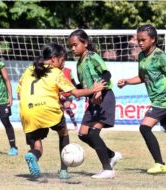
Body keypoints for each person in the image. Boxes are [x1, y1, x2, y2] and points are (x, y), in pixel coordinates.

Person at [17, 43, 107, 179]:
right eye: (62, 60)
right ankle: (64, 170)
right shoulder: (56, 72)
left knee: (37, 146)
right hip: (48, 109)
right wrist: (95, 89)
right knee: (63, 133)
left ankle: (33, 155)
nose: (63, 64)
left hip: (27, 111)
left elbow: (20, 93)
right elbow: (75, 93)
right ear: (54, 59)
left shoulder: (29, 69)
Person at [118, 24, 166, 175]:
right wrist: (127, 81)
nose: (140, 43)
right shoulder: (142, 56)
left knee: (144, 127)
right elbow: (143, 77)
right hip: (158, 100)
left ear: (153, 40)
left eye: (143, 40)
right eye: (138, 40)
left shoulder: (159, 55)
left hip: (164, 99)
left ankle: (160, 164)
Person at [68, 29, 122, 179]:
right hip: (92, 101)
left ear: (85, 43)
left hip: (104, 97)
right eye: (70, 46)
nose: (72, 48)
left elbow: (106, 74)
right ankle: (111, 155)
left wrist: (99, 89)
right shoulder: (79, 63)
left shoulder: (92, 56)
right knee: (83, 134)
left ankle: (107, 169)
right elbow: (84, 85)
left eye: (75, 45)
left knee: (93, 132)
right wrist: (69, 90)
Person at [59, 66, 78, 130]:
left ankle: (75, 125)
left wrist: (76, 93)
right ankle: (63, 127)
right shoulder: (55, 71)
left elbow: (73, 81)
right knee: (61, 110)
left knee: (67, 108)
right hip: (59, 94)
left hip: (68, 93)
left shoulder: (68, 70)